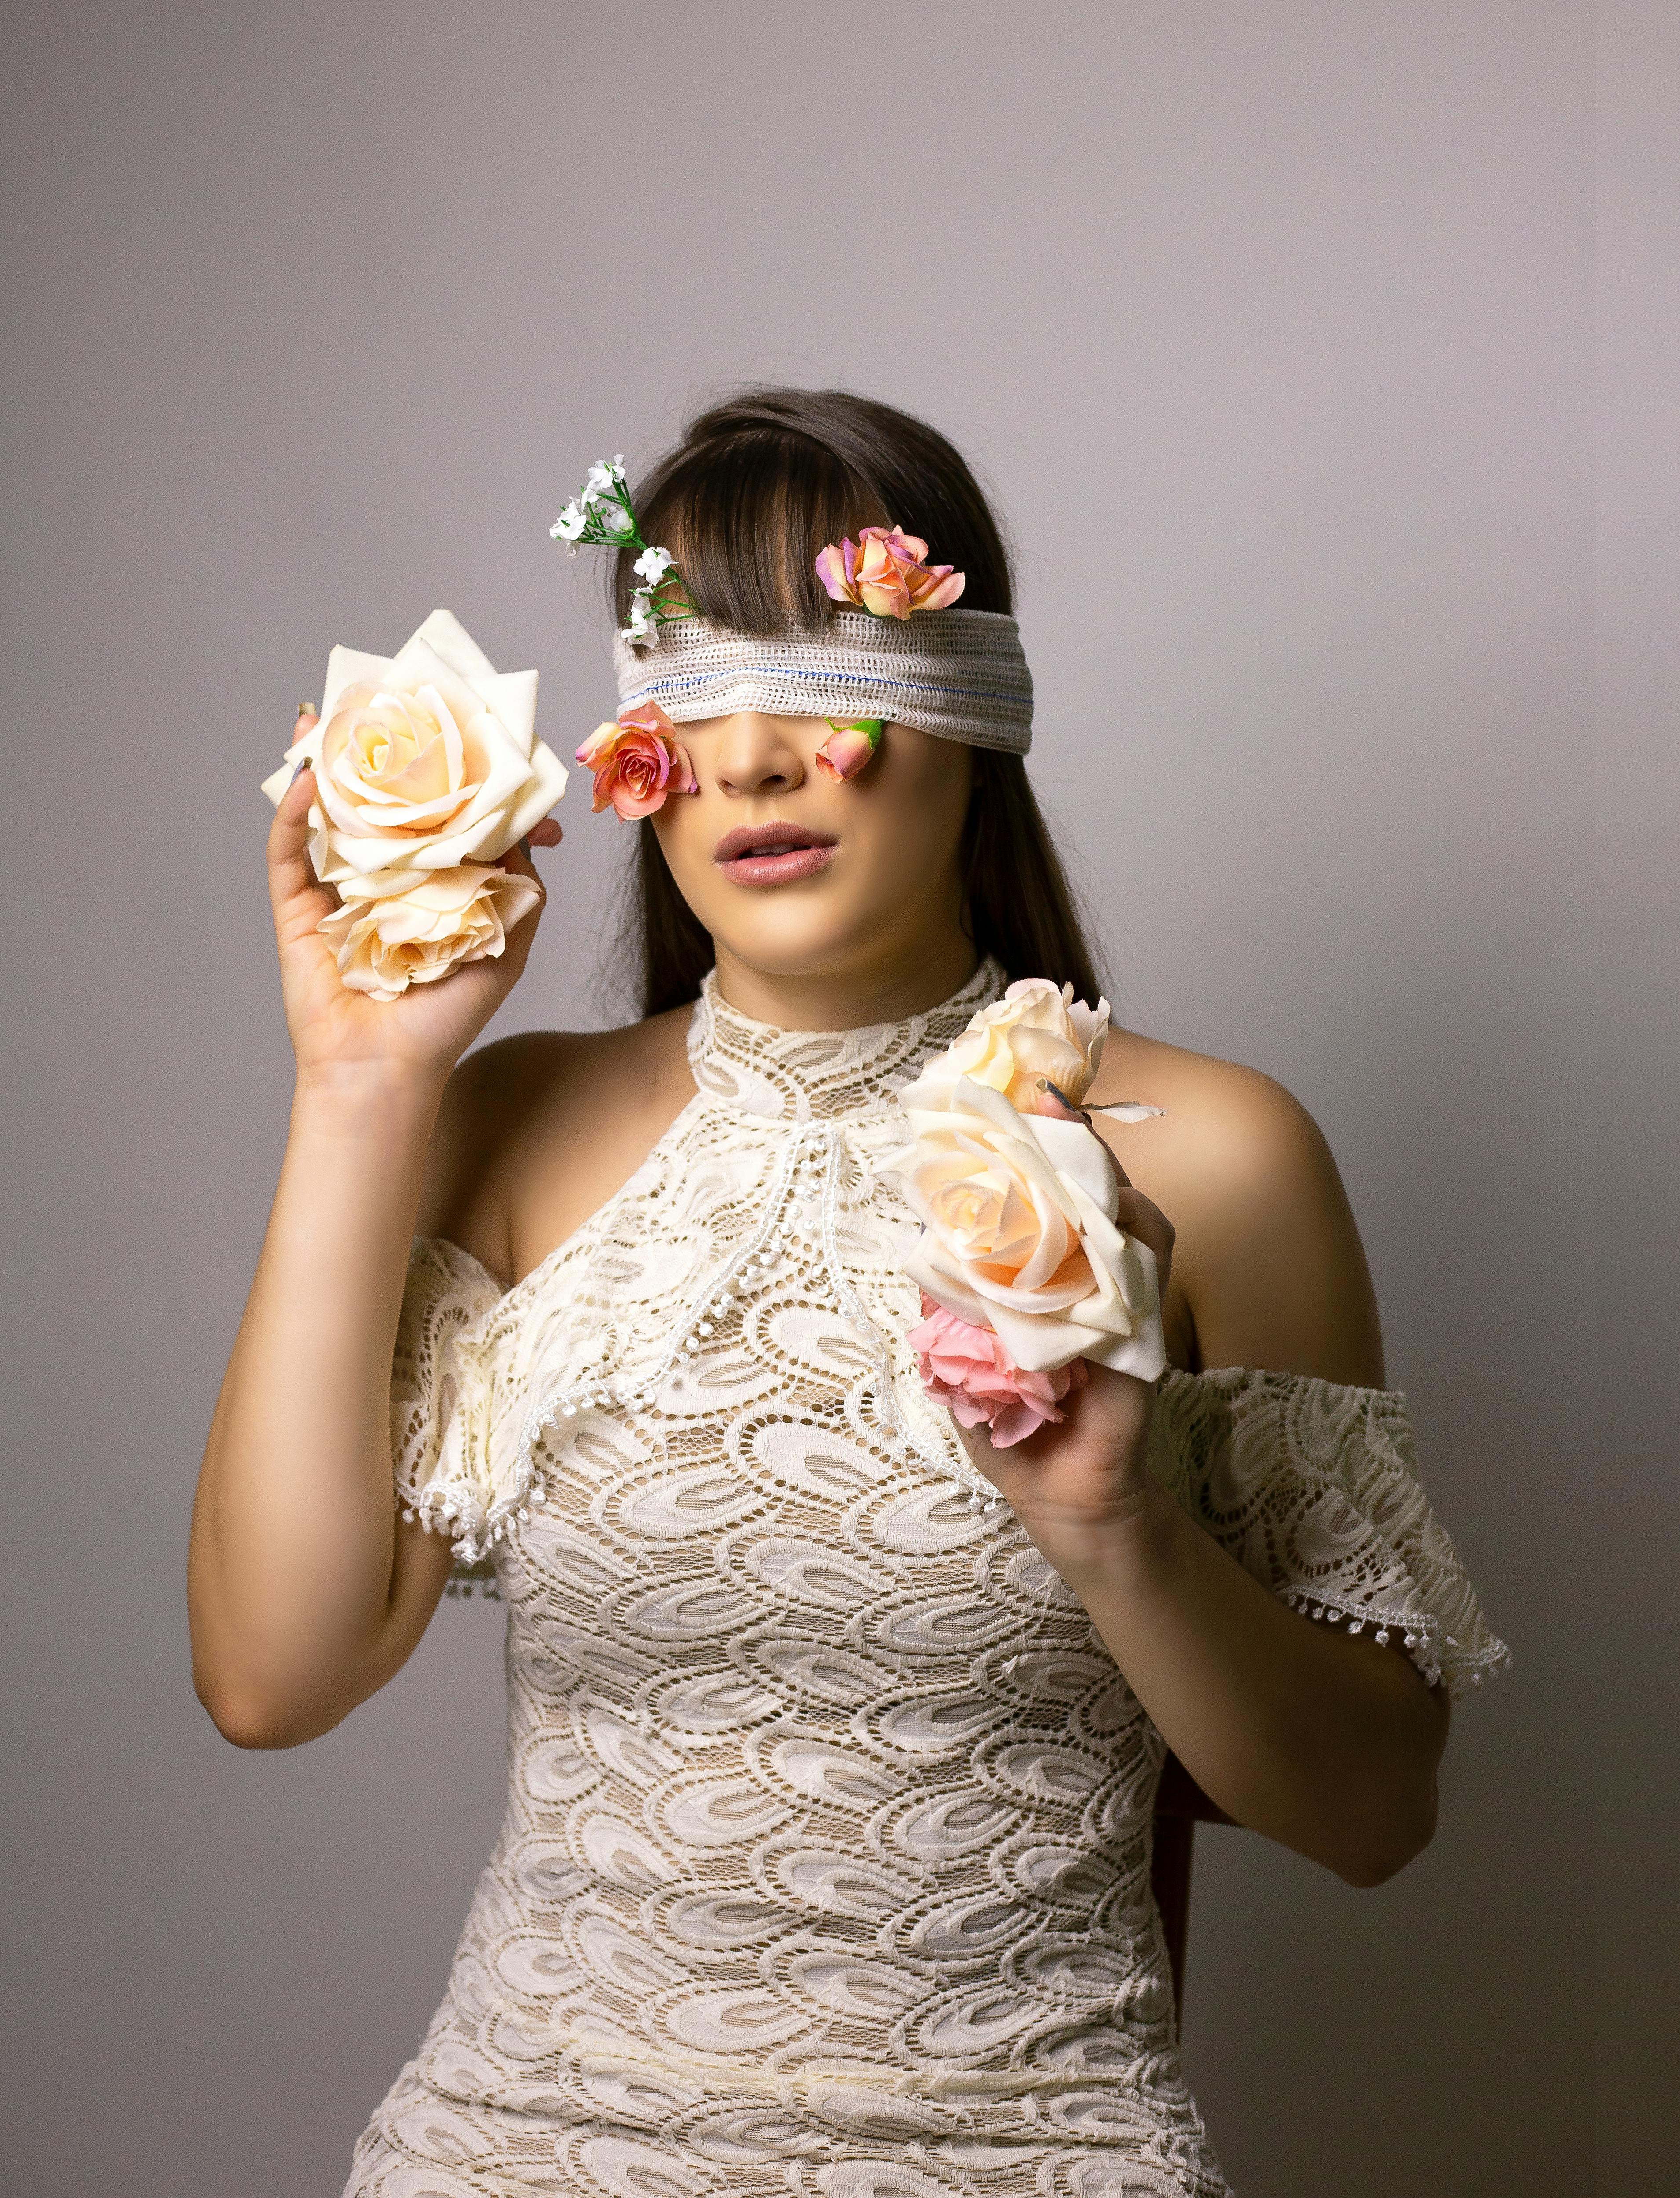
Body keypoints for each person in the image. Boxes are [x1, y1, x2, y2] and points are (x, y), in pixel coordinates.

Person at [190, 388, 1506, 2198]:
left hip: (1023, 2151)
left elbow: (1373, 1813)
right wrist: (357, 1089)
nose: (745, 760)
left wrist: (1115, 1520)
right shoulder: (502, 1124)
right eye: (690, 687)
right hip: (516, 2147)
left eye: (824, 669)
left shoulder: (1214, 1157)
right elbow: (271, 1675)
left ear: (980, 711)